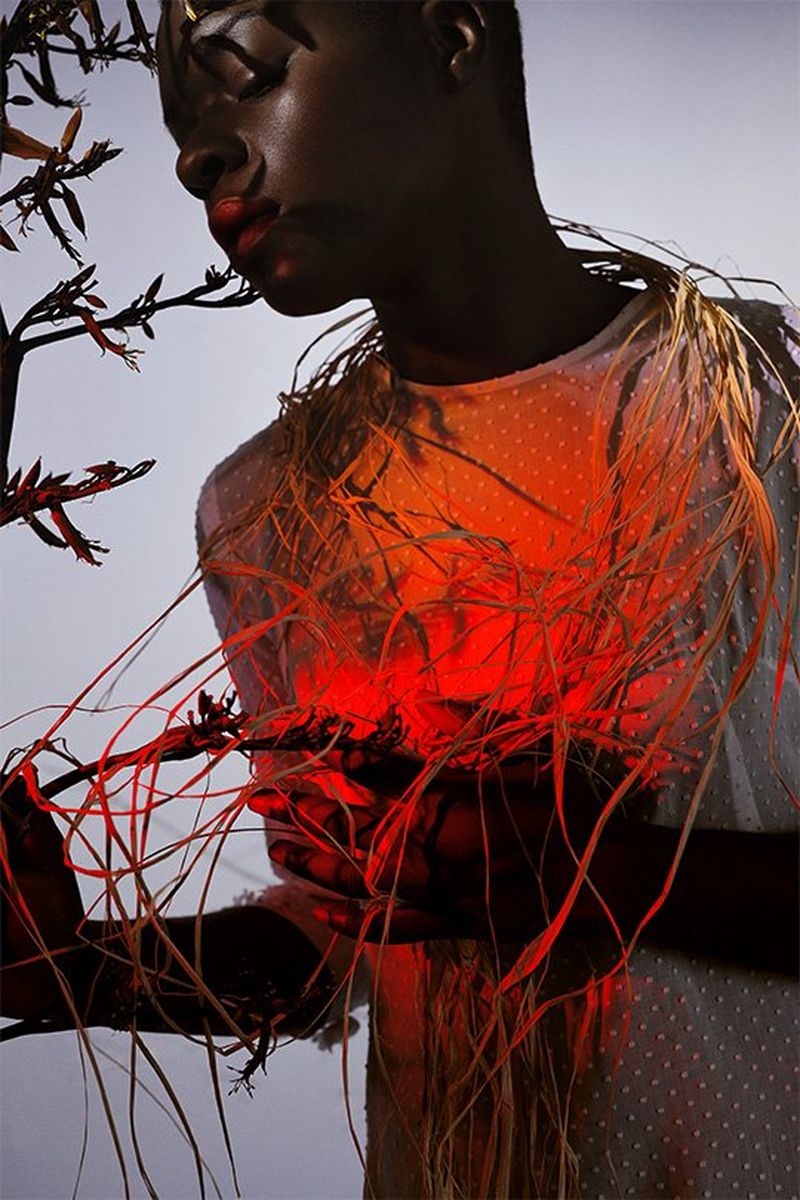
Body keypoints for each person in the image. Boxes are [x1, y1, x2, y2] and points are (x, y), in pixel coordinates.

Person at [2, 2, 798, 1197]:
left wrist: (612, 874)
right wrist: (80, 970)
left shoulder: (760, 412)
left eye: (246, 75)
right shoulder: (271, 508)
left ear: (449, 37)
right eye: (176, 126)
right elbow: (336, 936)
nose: (192, 158)